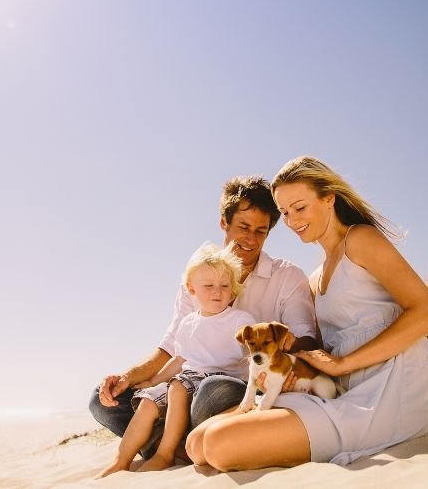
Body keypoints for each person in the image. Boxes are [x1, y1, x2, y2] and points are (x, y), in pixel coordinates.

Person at [186, 156, 428, 470]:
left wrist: (341, 364)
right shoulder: (315, 278)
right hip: (340, 390)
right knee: (196, 443)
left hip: (387, 391)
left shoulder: (360, 239)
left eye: (300, 207)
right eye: (285, 212)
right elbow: (318, 350)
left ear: (329, 197)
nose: (292, 221)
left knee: (217, 445)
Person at [89, 176, 319, 458]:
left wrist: (282, 352)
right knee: (102, 402)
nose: (250, 239)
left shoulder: (287, 276)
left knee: (211, 390)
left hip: (241, 386)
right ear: (224, 222)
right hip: (187, 382)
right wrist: (127, 378)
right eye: (243, 227)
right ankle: (182, 446)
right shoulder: (198, 277)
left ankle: (179, 444)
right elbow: (173, 346)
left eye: (261, 231)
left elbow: (307, 340)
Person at [96, 244, 257, 478]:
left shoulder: (239, 320)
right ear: (192, 290)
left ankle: (165, 454)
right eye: (209, 286)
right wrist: (153, 381)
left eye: (225, 286)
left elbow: (256, 352)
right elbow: (180, 359)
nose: (218, 292)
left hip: (220, 381)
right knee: (148, 402)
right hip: (187, 377)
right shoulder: (188, 323)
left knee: (178, 387)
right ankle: (121, 461)